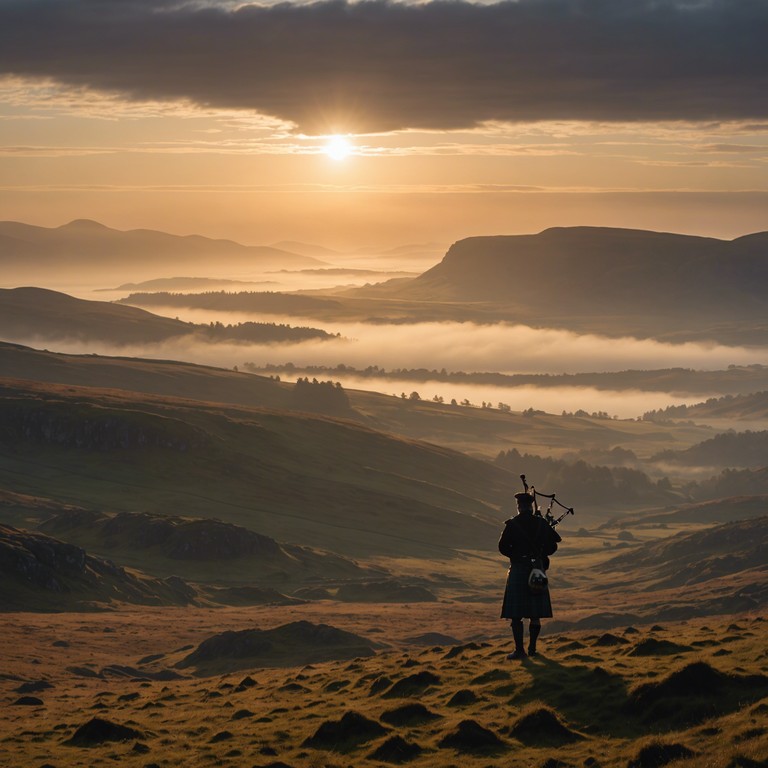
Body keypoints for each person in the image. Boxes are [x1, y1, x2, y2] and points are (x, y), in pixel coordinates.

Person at [498, 491, 561, 659]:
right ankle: (533, 649)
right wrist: (541, 554)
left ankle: (520, 651)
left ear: (519, 507)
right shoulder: (541, 524)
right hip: (537, 567)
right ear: (531, 507)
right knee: (535, 612)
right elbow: (554, 545)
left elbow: (503, 547)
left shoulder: (512, 524)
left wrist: (516, 556)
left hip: (519, 568)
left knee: (516, 615)